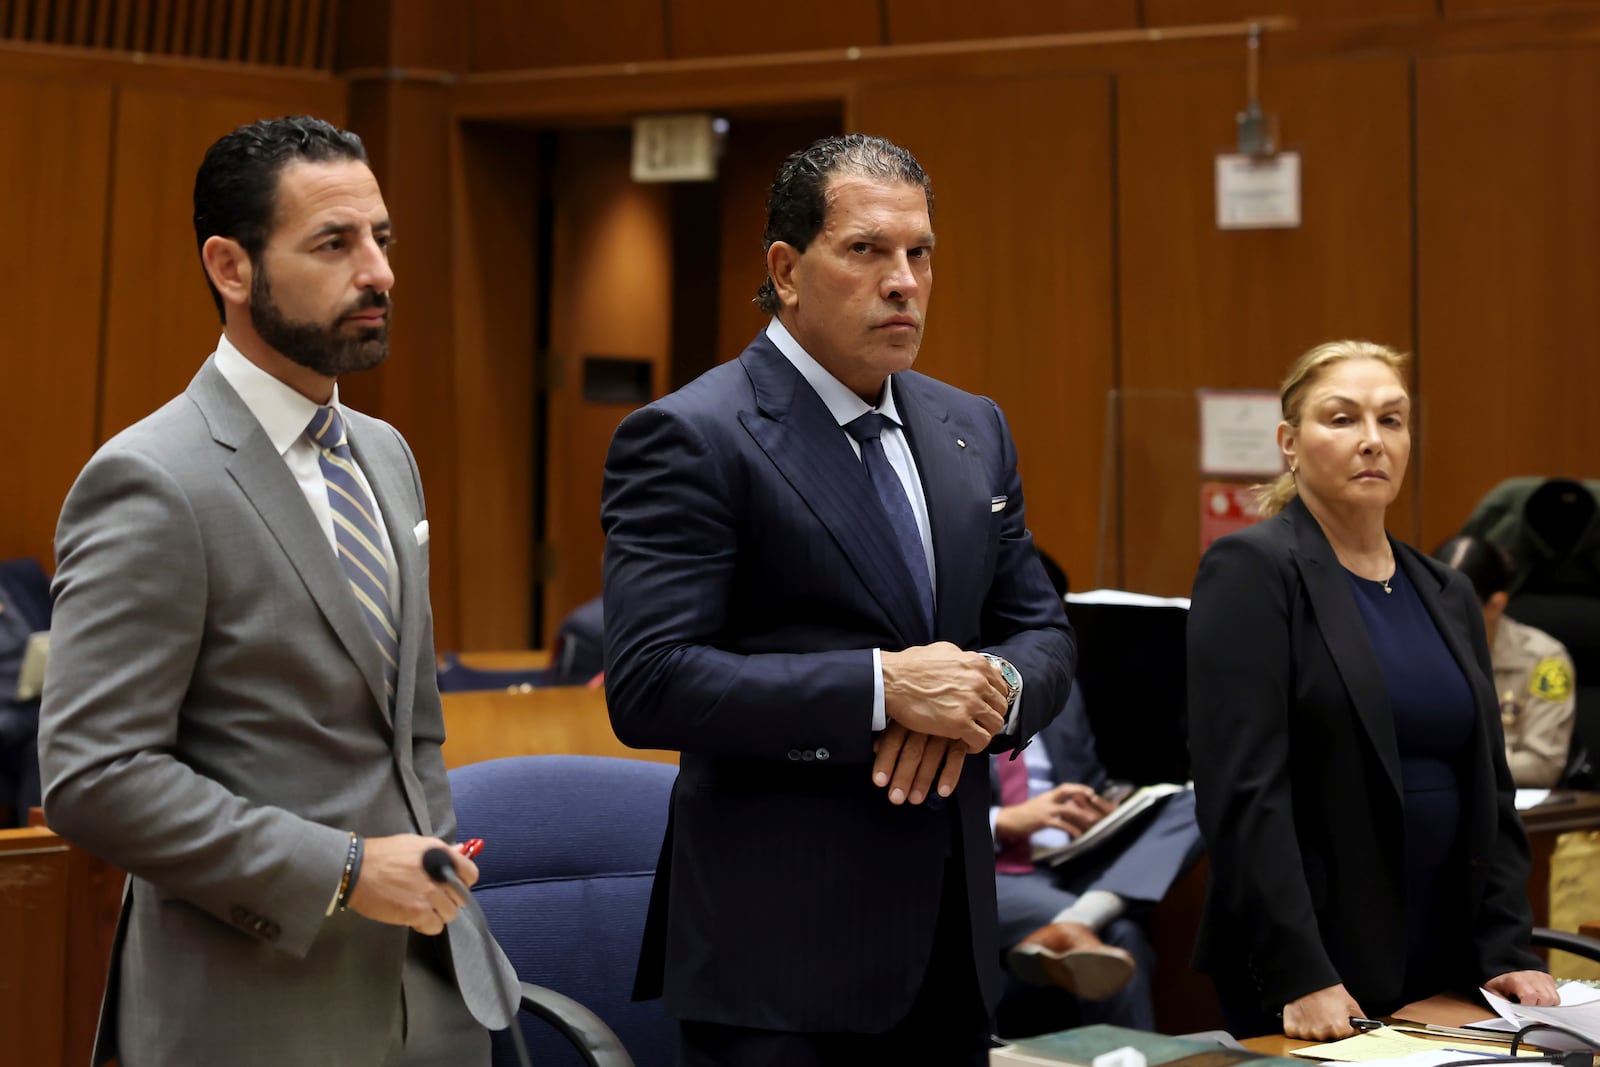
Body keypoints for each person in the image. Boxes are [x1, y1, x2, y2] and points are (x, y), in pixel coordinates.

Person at [37, 116, 515, 1067]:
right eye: (334, 244)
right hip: (250, 1015)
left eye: (382, 239)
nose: (377, 272)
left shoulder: (386, 456)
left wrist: (431, 867)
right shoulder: (151, 478)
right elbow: (93, 775)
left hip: (435, 1004)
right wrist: (341, 871)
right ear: (231, 266)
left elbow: (412, 731)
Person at [601, 134, 1075, 1065]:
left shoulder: (971, 427)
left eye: (920, 253)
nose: (903, 280)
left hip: (949, 946)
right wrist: (880, 690)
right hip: (779, 969)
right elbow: (651, 682)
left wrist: (990, 688)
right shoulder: (692, 435)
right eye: (866, 250)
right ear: (786, 269)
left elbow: (1042, 629)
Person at [1186, 339, 1557, 1041]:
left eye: (1391, 420)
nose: (1371, 442)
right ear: (1289, 444)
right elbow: (1243, 792)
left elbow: (1491, 790)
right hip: (1319, 965)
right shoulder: (1252, 570)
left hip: (1449, 961)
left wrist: (1506, 946)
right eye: (1342, 419)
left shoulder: (1446, 590)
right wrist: (1299, 971)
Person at [994, 683, 1203, 1031]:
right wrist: (1003, 820)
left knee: (1198, 802)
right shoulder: (948, 678)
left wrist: (1108, 806)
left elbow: (1088, 778)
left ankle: (1078, 920)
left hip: (1070, 856)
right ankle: (1082, 919)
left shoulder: (1056, 683)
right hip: (987, 867)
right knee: (1121, 936)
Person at [1433, 536, 1576, 788]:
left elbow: (1543, 765)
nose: (1441, 617)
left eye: (1458, 606)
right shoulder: (1416, 651)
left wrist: (1455, 765)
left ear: (1496, 605)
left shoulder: (1544, 660)